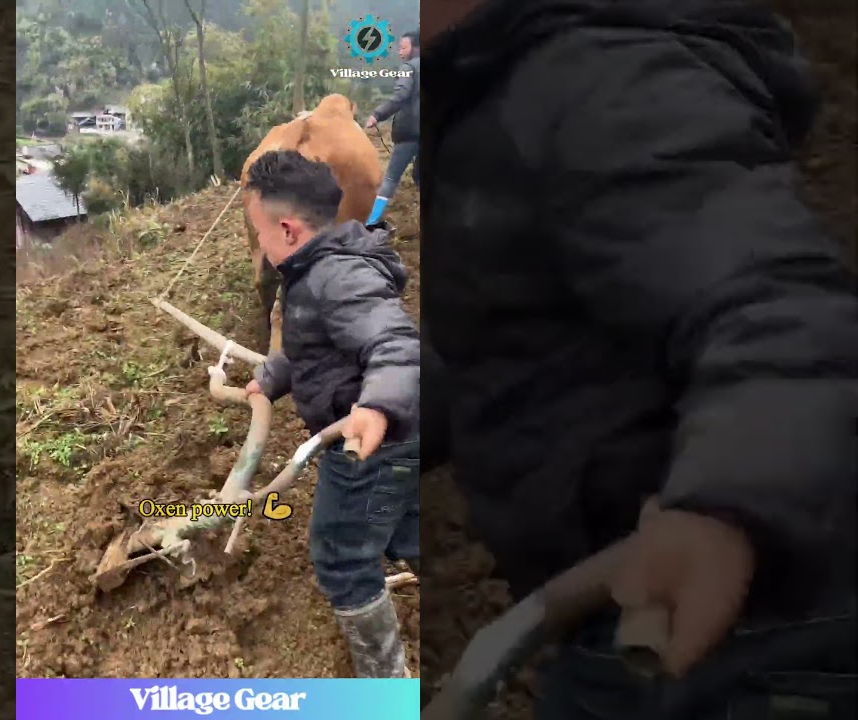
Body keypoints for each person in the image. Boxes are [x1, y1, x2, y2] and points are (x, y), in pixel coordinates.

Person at [420, 0, 858, 717]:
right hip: (637, 611)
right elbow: (507, 338)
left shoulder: (599, 86)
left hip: (730, 634)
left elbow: (781, 313)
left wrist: (724, 505)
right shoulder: (497, 89)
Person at [241, 149, 420, 678]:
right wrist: (271, 378)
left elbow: (395, 343)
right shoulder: (314, 270)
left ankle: (386, 686)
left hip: (367, 444)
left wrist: (376, 407)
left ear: (288, 230)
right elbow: (313, 346)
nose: (259, 244)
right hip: (404, 436)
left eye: (259, 233)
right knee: (404, 528)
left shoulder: (336, 278)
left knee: (341, 555)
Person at [363, 30, 420, 228]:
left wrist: (377, 115)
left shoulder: (409, 68)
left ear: (416, 48)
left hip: (410, 133)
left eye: (403, 47)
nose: (400, 52)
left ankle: (371, 222)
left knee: (390, 178)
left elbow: (400, 96)